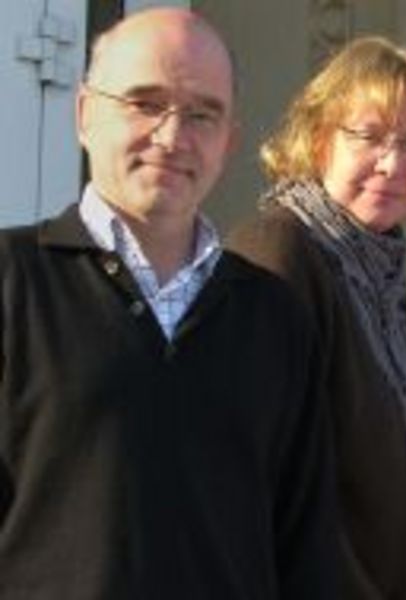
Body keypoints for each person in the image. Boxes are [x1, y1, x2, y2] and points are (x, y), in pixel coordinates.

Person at [0, 8, 335, 598]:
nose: (173, 137)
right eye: (145, 103)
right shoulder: (13, 282)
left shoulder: (273, 317)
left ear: (229, 141)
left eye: (202, 114)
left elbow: (306, 550)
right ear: (84, 114)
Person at [228, 36, 406, 600]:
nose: (392, 163)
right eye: (369, 136)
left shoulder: (383, 278)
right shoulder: (277, 252)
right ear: (319, 139)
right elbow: (258, 474)